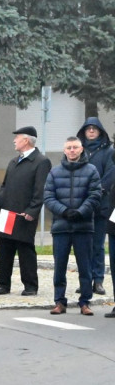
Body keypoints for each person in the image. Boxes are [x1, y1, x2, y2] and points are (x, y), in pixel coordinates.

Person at [44, 136, 102, 316]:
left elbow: (95, 195)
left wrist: (80, 211)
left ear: (81, 149)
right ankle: (59, 302)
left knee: (85, 266)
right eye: (68, 148)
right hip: (61, 226)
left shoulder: (91, 170)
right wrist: (64, 211)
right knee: (59, 266)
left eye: (75, 147)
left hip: (83, 226)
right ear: (64, 150)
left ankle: (85, 302)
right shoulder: (54, 172)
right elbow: (48, 197)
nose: (72, 151)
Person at [0, 126, 51, 296]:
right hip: (7, 213)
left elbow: (40, 190)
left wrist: (32, 211)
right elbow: (4, 186)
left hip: (24, 215)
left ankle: (30, 285)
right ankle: (3, 284)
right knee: (5, 250)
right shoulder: (13, 161)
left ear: (26, 140)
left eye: (17, 137)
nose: (14, 140)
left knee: (25, 250)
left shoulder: (41, 161)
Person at [76, 118, 115, 296]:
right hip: (81, 206)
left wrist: (97, 191)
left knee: (98, 245)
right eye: (88, 129)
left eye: (94, 129)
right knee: (83, 245)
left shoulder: (108, 151)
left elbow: (110, 174)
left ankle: (98, 280)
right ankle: (85, 279)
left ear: (100, 131)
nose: (91, 132)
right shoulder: (78, 150)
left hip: (100, 205)